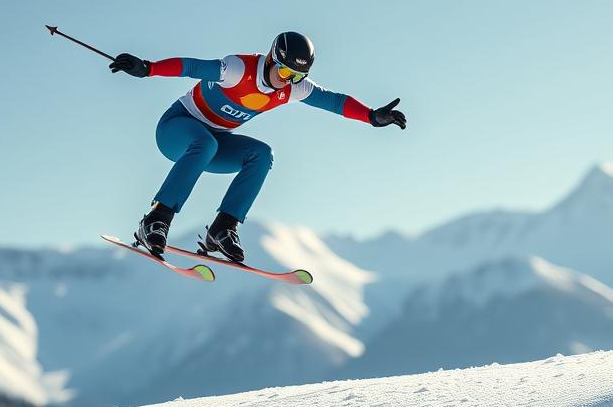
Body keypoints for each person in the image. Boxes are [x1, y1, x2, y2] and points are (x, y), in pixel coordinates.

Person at [108, 31, 406, 262]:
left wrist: (370, 116)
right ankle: (155, 220)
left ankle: (223, 228)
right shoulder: (238, 69)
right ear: (272, 59)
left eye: (298, 76)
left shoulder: (292, 87)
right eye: (286, 72)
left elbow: (333, 101)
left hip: (213, 143)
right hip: (177, 130)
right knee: (205, 143)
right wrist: (148, 68)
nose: (288, 81)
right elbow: (191, 66)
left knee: (261, 155)